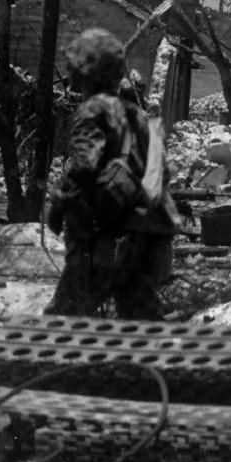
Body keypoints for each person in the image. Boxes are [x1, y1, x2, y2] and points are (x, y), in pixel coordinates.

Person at [45, 29, 179, 319]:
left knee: (63, 319)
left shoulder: (93, 111)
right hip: (149, 239)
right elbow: (163, 172)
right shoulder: (140, 116)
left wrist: (58, 203)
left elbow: (83, 166)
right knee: (142, 322)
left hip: (106, 243)